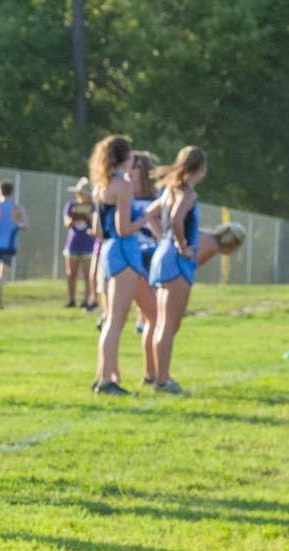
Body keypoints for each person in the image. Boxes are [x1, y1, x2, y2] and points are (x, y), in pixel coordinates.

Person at [91, 135, 157, 396]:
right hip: (124, 252)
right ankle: (106, 381)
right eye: (130, 156)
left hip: (109, 252)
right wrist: (146, 217)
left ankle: (103, 376)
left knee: (119, 318)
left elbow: (98, 230)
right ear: (123, 158)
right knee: (116, 321)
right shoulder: (123, 185)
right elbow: (124, 228)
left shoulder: (101, 186)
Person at [147, 146, 207, 393]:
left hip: (162, 256)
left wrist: (164, 240)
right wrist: (181, 245)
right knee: (170, 325)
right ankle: (163, 380)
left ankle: (159, 376)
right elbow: (176, 219)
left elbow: (149, 216)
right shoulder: (187, 193)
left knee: (162, 322)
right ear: (201, 168)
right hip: (176, 260)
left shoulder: (169, 189)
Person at [0, 180, 28, 308]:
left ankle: (0, 303)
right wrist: (17, 225)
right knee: (2, 276)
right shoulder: (16, 208)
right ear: (12, 191)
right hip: (9, 245)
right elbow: (26, 224)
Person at [130, 151, 160, 335]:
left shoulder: (156, 198)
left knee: (151, 287)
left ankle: (145, 319)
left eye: (135, 168)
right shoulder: (125, 197)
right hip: (131, 249)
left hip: (152, 248)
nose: (130, 172)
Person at [62, 177, 95, 307]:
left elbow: (96, 225)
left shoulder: (93, 207)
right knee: (71, 273)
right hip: (73, 244)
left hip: (88, 245)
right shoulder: (71, 205)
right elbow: (67, 223)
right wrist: (74, 218)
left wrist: (89, 218)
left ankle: (87, 300)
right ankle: (71, 299)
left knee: (88, 275)